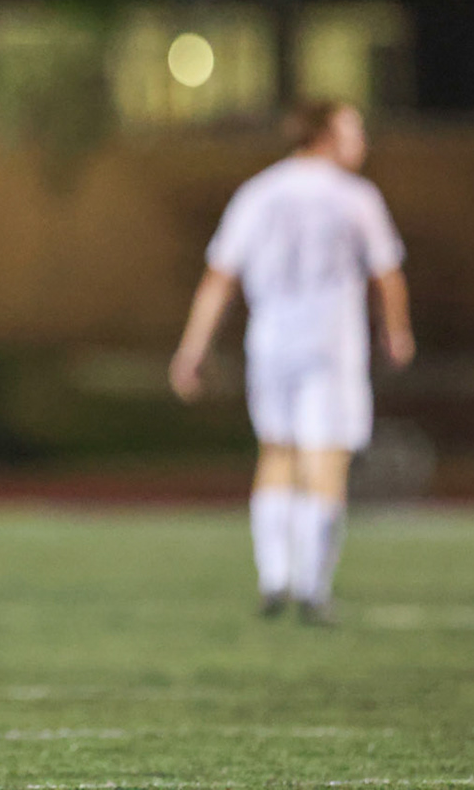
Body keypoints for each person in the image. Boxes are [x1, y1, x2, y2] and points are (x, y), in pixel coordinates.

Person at [169, 99, 415, 624]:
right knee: (327, 458)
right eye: (353, 130)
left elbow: (221, 275)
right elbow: (387, 272)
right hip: (331, 345)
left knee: (278, 452)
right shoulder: (355, 196)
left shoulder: (259, 192)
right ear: (325, 135)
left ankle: (274, 577)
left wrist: (193, 347)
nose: (362, 141)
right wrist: (396, 331)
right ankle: (311, 587)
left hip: (270, 343)